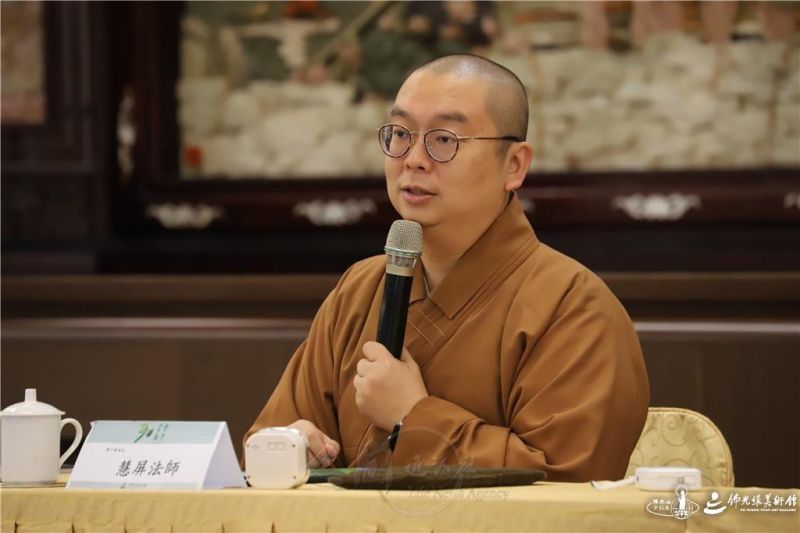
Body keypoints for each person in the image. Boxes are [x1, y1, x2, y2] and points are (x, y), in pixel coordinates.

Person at [245, 54, 650, 482]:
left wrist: (412, 417)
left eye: (444, 139)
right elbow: (266, 444)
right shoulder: (359, 290)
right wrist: (294, 446)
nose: (414, 159)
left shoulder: (574, 307)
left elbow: (568, 485)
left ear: (514, 164)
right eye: (401, 134)